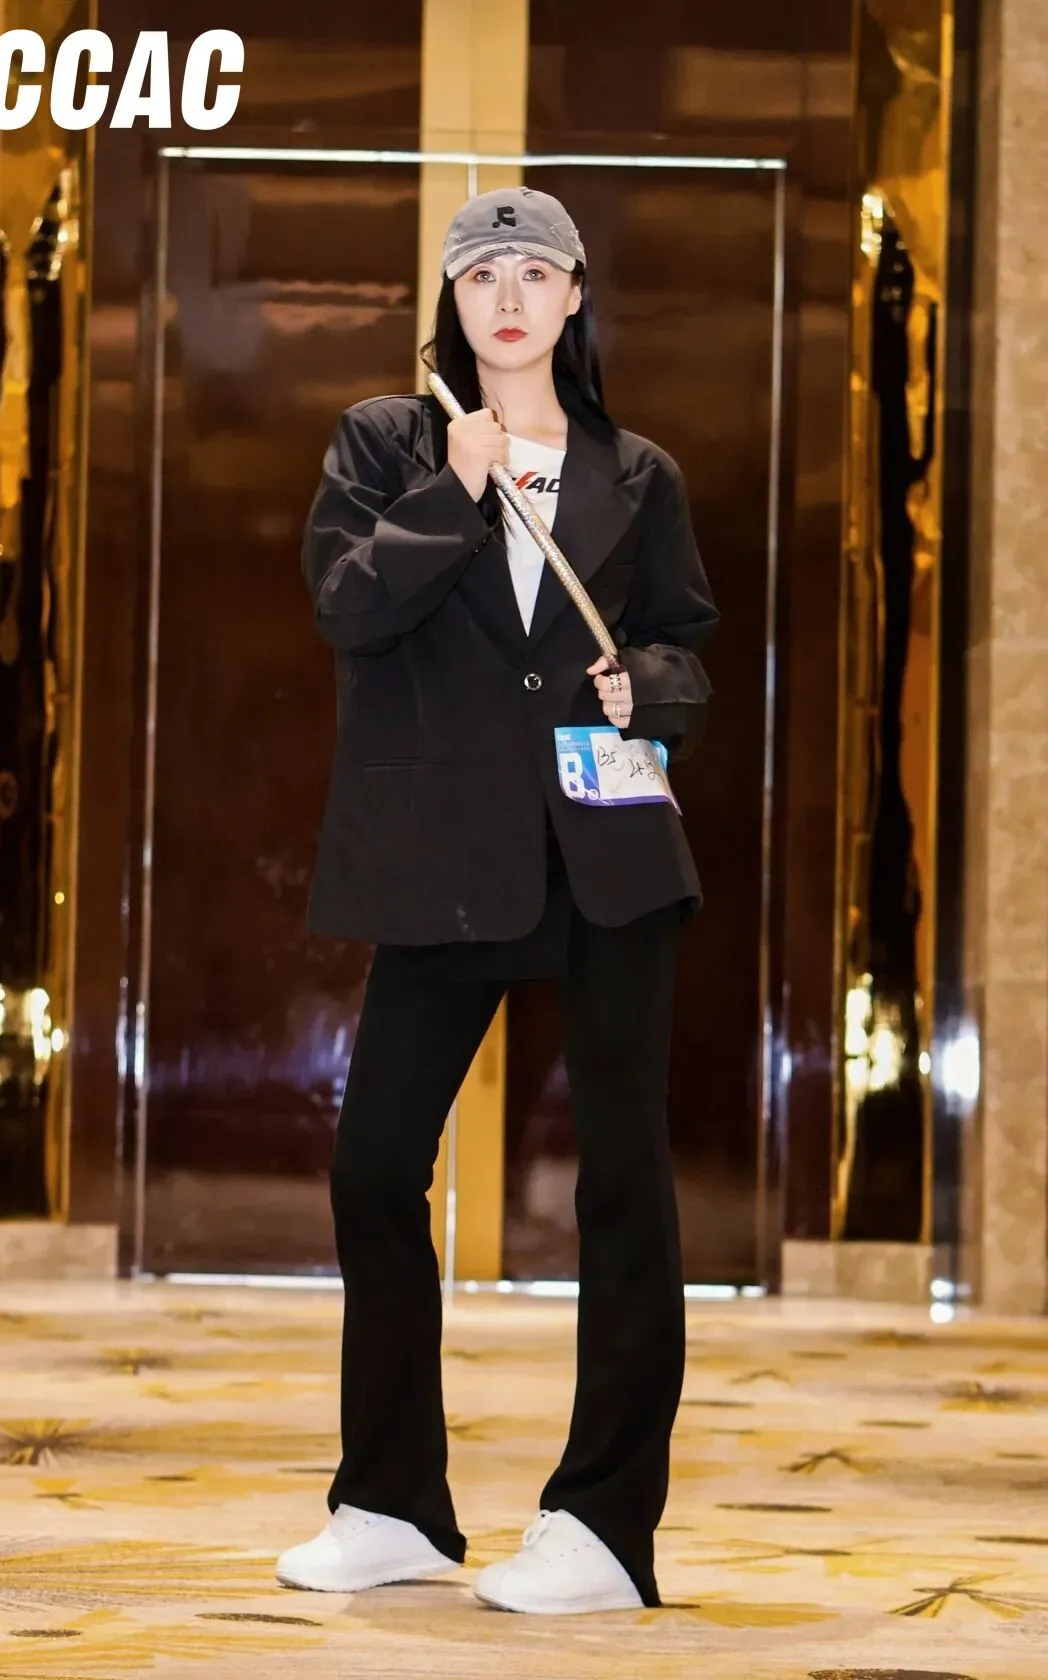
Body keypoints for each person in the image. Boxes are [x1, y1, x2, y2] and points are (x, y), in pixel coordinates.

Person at [277, 186, 718, 1615]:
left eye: (536, 272)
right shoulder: (390, 442)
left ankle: (603, 1527)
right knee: (372, 1168)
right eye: (484, 275)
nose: (510, 297)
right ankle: (392, 1502)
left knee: (623, 1186)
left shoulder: (637, 473)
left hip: (606, 848)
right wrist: (453, 492)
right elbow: (347, 605)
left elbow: (687, 648)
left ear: (576, 294)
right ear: (453, 301)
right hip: (444, 853)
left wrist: (647, 688)